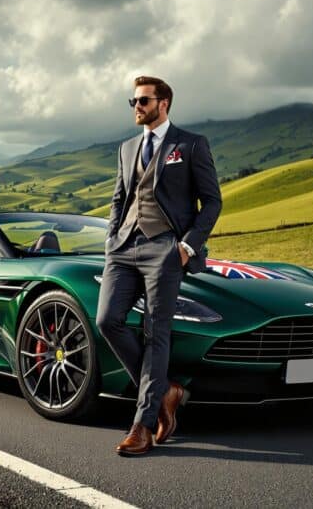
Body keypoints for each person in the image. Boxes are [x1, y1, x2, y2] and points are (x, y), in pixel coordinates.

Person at [96, 76, 222, 455]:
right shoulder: (127, 147)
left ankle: (143, 426)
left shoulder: (190, 144)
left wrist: (185, 246)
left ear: (163, 103)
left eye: (143, 100)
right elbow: (120, 197)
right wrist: (112, 238)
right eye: (132, 100)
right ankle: (164, 390)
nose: (136, 106)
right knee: (107, 320)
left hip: (166, 249)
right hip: (123, 248)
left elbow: (212, 202)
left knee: (156, 332)